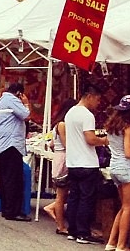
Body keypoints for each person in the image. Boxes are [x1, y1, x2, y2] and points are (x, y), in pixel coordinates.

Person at [64, 85, 109, 244]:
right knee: (86, 198)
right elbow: (90, 139)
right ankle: (83, 232)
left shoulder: (70, 113)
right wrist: (104, 141)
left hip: (73, 161)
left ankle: (73, 230)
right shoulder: (87, 115)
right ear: (89, 96)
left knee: (74, 197)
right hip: (87, 163)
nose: (98, 103)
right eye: (97, 99)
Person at [104, 95, 130, 251]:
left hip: (114, 167)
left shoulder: (112, 127)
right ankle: (121, 246)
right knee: (128, 208)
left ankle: (111, 243)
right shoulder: (127, 127)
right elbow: (128, 153)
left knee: (123, 207)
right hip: (126, 168)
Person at [0, 82, 32, 222]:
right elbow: (26, 115)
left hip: (2, 144)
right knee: (13, 179)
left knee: (6, 179)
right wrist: (26, 103)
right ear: (19, 93)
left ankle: (7, 208)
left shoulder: (2, 99)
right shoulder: (12, 100)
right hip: (11, 144)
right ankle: (13, 211)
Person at [43, 98, 77, 236]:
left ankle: (59, 221)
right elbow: (66, 144)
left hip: (58, 157)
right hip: (63, 157)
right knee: (61, 195)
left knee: (62, 193)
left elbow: (52, 144)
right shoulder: (62, 125)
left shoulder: (57, 125)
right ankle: (61, 225)